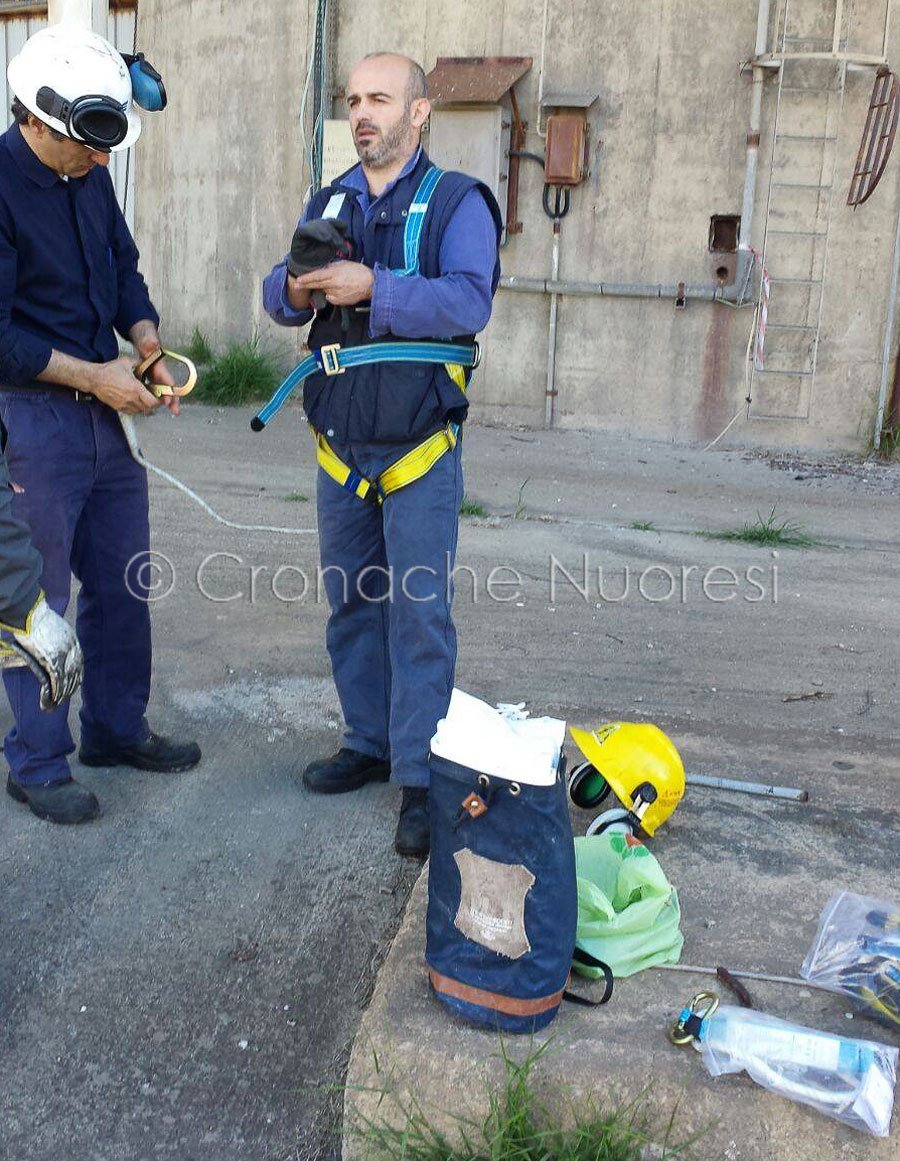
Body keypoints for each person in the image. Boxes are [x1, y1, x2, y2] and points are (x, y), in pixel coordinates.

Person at [263, 52, 501, 858]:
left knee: (420, 617)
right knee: (352, 607)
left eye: (380, 99)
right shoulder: (330, 198)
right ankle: (367, 741)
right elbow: (279, 290)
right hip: (340, 449)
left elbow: (470, 299)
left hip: (419, 449)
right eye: (354, 100)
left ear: (420, 111)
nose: (362, 112)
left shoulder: (457, 202)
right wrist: (294, 290)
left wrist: (377, 287)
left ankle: (421, 777)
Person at [0, 25, 200, 826]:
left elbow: (122, 267)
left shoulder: (86, 174)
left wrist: (147, 346)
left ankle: (115, 729)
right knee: (35, 597)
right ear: (38, 120)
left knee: (122, 584)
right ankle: (37, 761)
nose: (104, 159)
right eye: (90, 143)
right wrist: (96, 378)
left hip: (104, 414)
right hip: (30, 416)